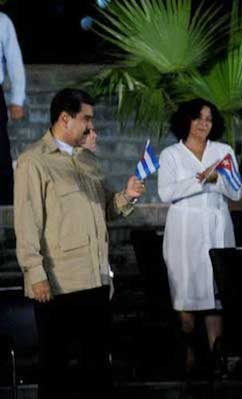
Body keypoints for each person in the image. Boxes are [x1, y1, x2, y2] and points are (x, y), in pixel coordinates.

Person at [13, 88, 145, 399]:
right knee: (55, 370)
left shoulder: (89, 162)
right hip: (57, 283)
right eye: (86, 118)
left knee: (97, 369)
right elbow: (27, 221)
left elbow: (107, 209)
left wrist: (127, 195)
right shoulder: (34, 161)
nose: (90, 126)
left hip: (95, 279)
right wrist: (35, 273)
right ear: (64, 118)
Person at [158, 98, 242, 377]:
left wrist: (216, 180)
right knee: (186, 295)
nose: (203, 124)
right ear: (186, 121)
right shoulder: (171, 154)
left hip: (217, 229)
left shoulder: (223, 151)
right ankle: (189, 360)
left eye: (208, 119)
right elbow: (166, 193)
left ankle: (217, 359)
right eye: (198, 119)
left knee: (215, 295)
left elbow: (237, 191)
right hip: (184, 234)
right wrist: (199, 179)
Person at [0, 11, 25, 205]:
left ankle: (6, 207)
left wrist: (17, 99)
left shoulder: (2, 21)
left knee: (1, 153)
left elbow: (14, 61)